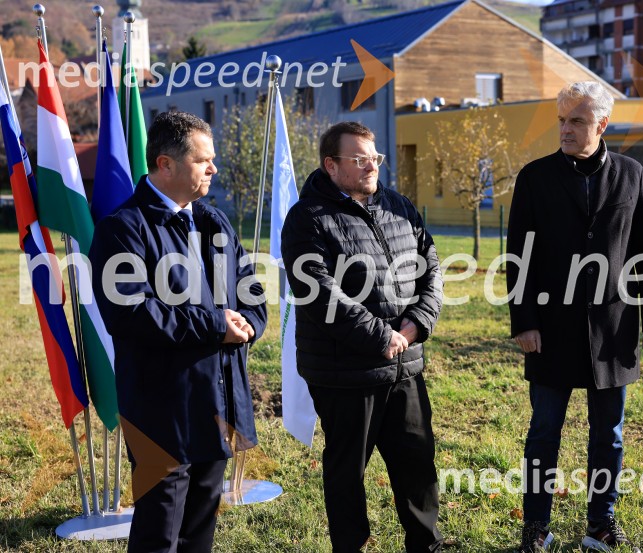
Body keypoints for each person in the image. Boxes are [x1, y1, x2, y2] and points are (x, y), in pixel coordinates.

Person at [89, 111, 267, 553]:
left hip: (218, 398)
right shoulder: (122, 230)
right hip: (161, 409)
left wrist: (248, 322)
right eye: (203, 160)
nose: (214, 169)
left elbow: (251, 290)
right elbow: (131, 312)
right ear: (165, 164)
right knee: (160, 528)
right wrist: (215, 326)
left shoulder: (214, 222)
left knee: (200, 523)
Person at [507, 82, 643, 553]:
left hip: (613, 330)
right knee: (544, 432)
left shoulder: (631, 174)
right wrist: (524, 321)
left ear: (601, 125)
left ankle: (601, 524)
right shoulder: (534, 178)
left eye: (576, 121)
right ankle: (536, 527)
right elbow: (519, 255)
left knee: (610, 436)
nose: (565, 129)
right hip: (550, 329)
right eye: (561, 120)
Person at [281, 121, 444, 553]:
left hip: (405, 364)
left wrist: (415, 325)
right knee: (347, 475)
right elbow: (318, 293)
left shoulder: (399, 206)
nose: (372, 165)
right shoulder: (307, 219)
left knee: (417, 465)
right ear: (331, 165)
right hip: (344, 373)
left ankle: (425, 545)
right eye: (360, 159)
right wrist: (381, 336)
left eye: (375, 157)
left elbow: (432, 267)